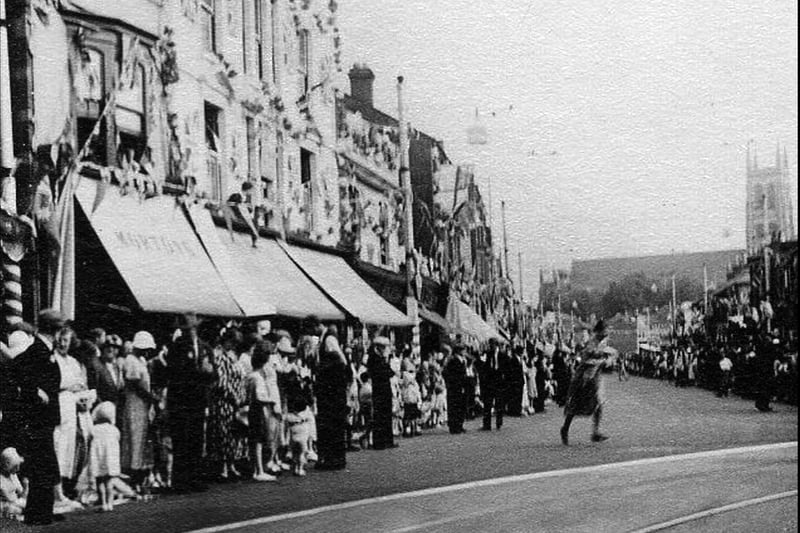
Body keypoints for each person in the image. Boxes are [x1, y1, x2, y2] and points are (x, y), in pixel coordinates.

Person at [13, 309, 65, 525]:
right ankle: (38, 513)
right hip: (38, 416)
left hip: (45, 416)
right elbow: (18, 369)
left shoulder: (44, 348)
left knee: (44, 463)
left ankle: (43, 508)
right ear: (55, 328)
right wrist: (34, 391)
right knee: (41, 463)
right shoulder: (37, 350)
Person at [167, 313, 214, 493]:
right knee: (181, 441)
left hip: (199, 400)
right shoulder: (176, 347)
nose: (188, 333)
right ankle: (180, 481)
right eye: (185, 330)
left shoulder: (205, 348)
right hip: (181, 401)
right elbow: (176, 375)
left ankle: (195, 478)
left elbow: (213, 375)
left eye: (190, 329)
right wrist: (199, 372)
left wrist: (208, 371)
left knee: (196, 440)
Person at [561, 321, 616, 445]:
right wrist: (602, 361)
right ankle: (565, 428)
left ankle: (595, 432)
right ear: (600, 331)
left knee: (599, 403)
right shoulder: (592, 342)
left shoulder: (602, 343)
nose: (608, 332)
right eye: (606, 330)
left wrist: (606, 359)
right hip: (585, 377)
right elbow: (586, 360)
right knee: (577, 404)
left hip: (595, 376)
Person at [207, 330, 246, 481]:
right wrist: (234, 396)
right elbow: (222, 381)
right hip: (224, 401)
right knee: (224, 432)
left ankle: (231, 464)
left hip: (236, 399)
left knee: (234, 432)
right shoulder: (219, 356)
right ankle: (223, 466)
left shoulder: (232, 356)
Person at [120, 331, 155, 493]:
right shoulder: (130, 361)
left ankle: (140, 472)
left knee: (141, 439)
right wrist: (151, 397)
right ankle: (133, 474)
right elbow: (134, 385)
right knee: (134, 438)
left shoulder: (141, 360)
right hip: (134, 403)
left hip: (143, 405)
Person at [314, 324, 349, 470]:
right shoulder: (326, 340)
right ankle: (334, 457)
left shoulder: (328, 340)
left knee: (331, 425)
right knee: (333, 425)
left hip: (331, 392)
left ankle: (333, 459)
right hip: (333, 391)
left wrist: (323, 368)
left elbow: (341, 359)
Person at [245, 341, 278, 482]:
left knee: (256, 440)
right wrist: (270, 400)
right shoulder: (257, 378)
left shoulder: (251, 376)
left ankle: (256, 469)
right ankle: (259, 469)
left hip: (254, 410)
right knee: (258, 439)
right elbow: (259, 396)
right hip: (259, 410)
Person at [89, 402, 121, 512]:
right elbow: (118, 439)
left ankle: (103, 503)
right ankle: (110, 503)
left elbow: (90, 439)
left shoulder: (94, 429)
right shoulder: (114, 429)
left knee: (100, 481)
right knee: (110, 482)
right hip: (110, 459)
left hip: (98, 459)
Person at [367, 336, 396, 450]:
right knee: (380, 416)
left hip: (385, 389)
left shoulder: (382, 358)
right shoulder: (374, 358)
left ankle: (388, 440)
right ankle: (379, 442)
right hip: (379, 390)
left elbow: (390, 371)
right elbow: (383, 372)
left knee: (386, 415)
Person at [477, 338, 505, 431]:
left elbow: (506, 369)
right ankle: (487, 425)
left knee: (499, 404)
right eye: (490, 345)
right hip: (489, 382)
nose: (491, 346)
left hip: (499, 382)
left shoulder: (502, 355)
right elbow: (482, 367)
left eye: (492, 345)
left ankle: (499, 423)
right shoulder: (487, 354)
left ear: (496, 345)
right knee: (487, 404)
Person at [443, 342, 468, 434]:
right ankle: (454, 426)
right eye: (463, 350)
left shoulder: (462, 360)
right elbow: (453, 375)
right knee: (454, 406)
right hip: (455, 387)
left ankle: (460, 424)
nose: (465, 352)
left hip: (461, 386)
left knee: (461, 406)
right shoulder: (453, 361)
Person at [0, 447, 27, 520]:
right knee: (14, 508)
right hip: (6, 504)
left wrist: (26, 487)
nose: (18, 469)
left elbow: (22, 493)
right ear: (6, 464)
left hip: (15, 502)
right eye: (15, 466)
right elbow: (10, 499)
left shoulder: (13, 475)